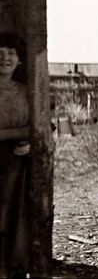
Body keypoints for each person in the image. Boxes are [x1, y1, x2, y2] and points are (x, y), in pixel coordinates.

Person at [0, 32, 30, 275]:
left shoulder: (26, 93)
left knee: (12, 217)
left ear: (19, 60)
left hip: (16, 166)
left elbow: (40, 128)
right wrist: (21, 131)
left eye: (11, 53)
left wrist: (29, 141)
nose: (4, 58)